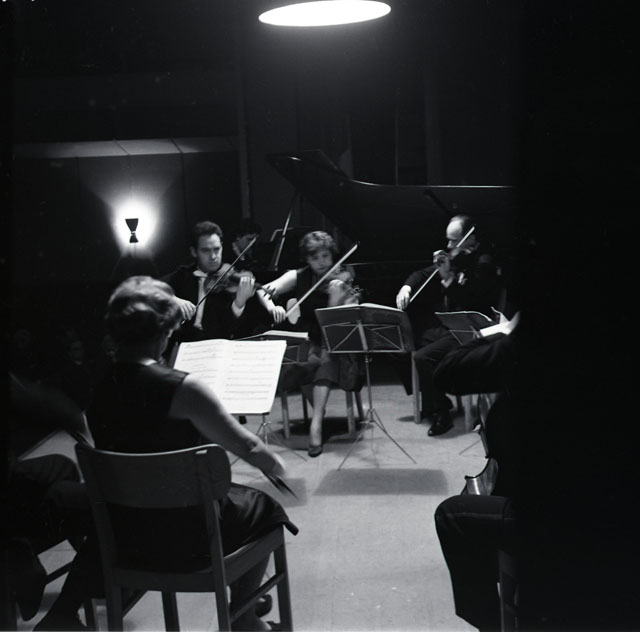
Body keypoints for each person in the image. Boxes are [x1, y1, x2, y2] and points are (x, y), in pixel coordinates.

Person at [34, 276, 298, 632]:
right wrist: (276, 463)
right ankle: (245, 617)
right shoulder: (183, 389)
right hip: (188, 537)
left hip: (126, 532)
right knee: (265, 509)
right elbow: (248, 446)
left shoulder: (99, 385)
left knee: (233, 504)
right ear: (164, 332)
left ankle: (245, 606)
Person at [432, 328, 520, 631]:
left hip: (554, 521)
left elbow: (448, 372)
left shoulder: (536, 351)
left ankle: (493, 625)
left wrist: (506, 331)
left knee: (452, 514)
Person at [395, 215, 503, 436]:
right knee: (405, 343)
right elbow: (422, 273)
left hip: (474, 330)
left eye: (454, 240)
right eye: (449, 239)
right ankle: (435, 399)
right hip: (453, 326)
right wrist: (407, 287)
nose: (449, 245)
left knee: (423, 357)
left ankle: (441, 413)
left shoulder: (484, 263)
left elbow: (474, 302)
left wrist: (448, 279)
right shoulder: (458, 257)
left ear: (470, 238)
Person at [257, 231, 362, 457]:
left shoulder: (342, 279)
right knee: (305, 360)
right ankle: (319, 413)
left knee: (325, 358)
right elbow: (263, 292)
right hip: (311, 341)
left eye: (326, 256)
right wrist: (273, 307)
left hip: (338, 344)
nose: (322, 262)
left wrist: (335, 299)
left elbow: (341, 322)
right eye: (315, 258)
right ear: (307, 259)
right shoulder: (299, 276)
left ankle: (316, 425)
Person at [162, 220, 257, 345]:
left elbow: (228, 330)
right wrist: (174, 299)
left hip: (214, 345)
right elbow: (151, 288)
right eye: (206, 250)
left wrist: (238, 304)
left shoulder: (229, 279)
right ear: (194, 252)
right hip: (182, 344)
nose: (213, 256)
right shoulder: (183, 275)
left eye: (217, 249)